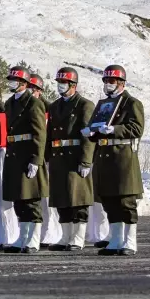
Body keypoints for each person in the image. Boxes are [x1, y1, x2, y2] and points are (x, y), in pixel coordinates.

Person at [83, 65, 144, 257]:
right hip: (104, 156)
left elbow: (137, 128)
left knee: (126, 201)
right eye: (105, 81)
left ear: (122, 83)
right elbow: (95, 127)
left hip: (122, 157)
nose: (108, 84)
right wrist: (90, 133)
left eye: (112, 81)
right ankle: (116, 240)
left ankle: (130, 241)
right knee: (109, 201)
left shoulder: (132, 103)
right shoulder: (103, 104)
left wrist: (115, 130)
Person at [46, 67, 95, 252]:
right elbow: (50, 134)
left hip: (75, 157)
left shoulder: (84, 105)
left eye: (64, 83)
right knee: (62, 199)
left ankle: (78, 238)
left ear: (73, 85)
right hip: (59, 157)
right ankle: (65, 236)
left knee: (78, 200)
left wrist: (85, 161)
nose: (60, 86)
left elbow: (87, 135)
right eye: (58, 83)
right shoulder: (54, 106)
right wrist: (48, 156)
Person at [2, 67, 48, 254]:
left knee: (31, 200)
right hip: (14, 153)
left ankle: (33, 239)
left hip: (28, 154)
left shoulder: (34, 104)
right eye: (11, 79)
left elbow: (39, 134)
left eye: (15, 80)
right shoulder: (9, 103)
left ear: (24, 83)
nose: (12, 82)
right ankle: (22, 237)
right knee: (19, 199)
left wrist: (36, 159)